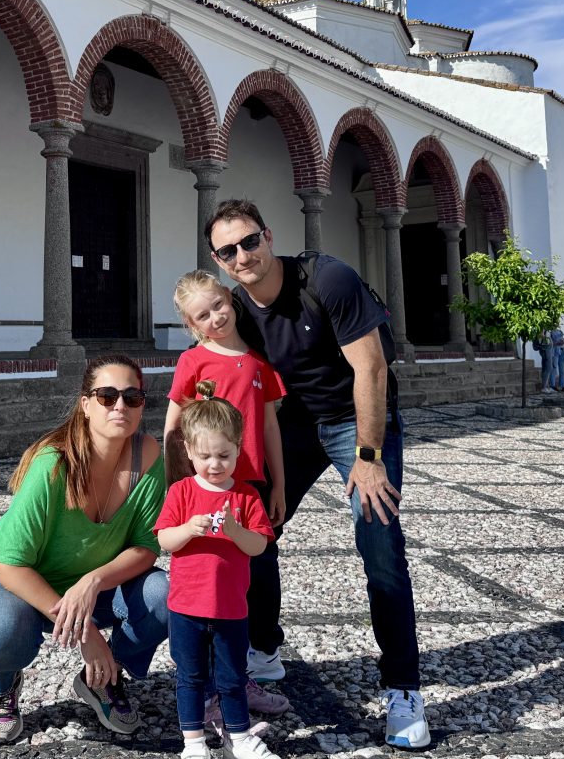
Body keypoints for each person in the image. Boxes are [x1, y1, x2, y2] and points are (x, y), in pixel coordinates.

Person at [205, 198, 430, 750]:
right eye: (228, 251)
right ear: (219, 261)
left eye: (250, 241)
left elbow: (371, 367)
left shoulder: (327, 279)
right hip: (295, 426)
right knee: (253, 530)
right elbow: (216, 373)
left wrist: (368, 457)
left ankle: (403, 688)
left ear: (268, 236)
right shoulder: (235, 309)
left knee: (379, 544)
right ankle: (264, 650)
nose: (242, 256)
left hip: (359, 419)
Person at [0, 355, 169, 744]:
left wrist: (93, 581)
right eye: (107, 396)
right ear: (85, 404)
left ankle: (103, 677)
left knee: (165, 595)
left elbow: (145, 547)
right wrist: (87, 633)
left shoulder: (148, 454)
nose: (120, 405)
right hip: (10, 579)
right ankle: (3, 686)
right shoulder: (53, 463)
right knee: (4, 629)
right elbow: (11, 567)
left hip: (85, 583)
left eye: (132, 397)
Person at [164, 269, 290, 718]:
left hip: (249, 486)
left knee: (256, 576)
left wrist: (279, 483)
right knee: (208, 578)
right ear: (191, 324)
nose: (215, 317)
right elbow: (174, 425)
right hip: (205, 486)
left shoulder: (258, 363)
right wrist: (177, 483)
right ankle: (207, 684)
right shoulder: (193, 362)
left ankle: (246, 668)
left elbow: (270, 426)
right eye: (203, 315)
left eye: (218, 305)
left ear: (229, 299)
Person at [156, 383, 280, 759]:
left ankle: (238, 738)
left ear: (239, 448)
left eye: (224, 455)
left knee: (233, 677)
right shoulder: (181, 492)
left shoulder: (246, 496)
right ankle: (193, 742)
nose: (215, 464)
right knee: (190, 677)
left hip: (231, 608)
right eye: (206, 455)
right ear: (189, 451)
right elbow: (164, 539)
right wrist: (188, 529)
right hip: (186, 608)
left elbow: (259, 545)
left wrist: (235, 531)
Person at [548, 327, 564, 392]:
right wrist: (557, 343)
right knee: (554, 368)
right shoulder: (549, 332)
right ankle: (552, 386)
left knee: (562, 370)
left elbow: (562, 340)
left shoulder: (560, 331)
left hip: (562, 350)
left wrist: (562, 342)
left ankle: (562, 386)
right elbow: (549, 343)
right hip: (555, 351)